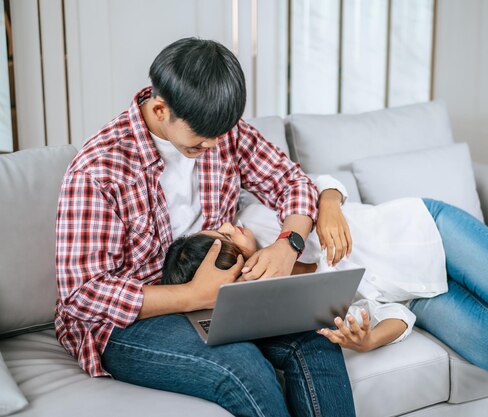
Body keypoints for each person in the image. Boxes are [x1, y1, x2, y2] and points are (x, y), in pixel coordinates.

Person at [54, 38, 356, 417]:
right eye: (201, 139)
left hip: (225, 294)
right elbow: (82, 293)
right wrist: (195, 295)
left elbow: (290, 181)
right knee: (241, 367)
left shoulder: (219, 130)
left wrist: (287, 244)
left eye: (221, 134)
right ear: (160, 110)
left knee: (318, 340)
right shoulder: (98, 169)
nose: (215, 144)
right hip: (128, 320)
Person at [163, 178, 488, 380]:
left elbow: (317, 181)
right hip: (418, 294)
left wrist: (330, 204)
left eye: (219, 226)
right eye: (226, 239)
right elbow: (392, 310)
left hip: (426, 232)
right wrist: (370, 340)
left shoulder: (260, 217)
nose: (231, 226)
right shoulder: (284, 302)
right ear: (236, 271)